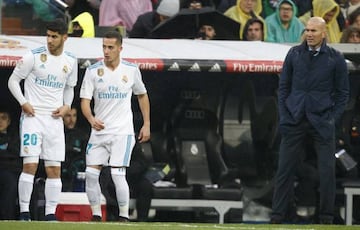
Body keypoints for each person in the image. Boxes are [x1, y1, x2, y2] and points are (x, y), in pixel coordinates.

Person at [270, 16, 349, 224]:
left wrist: (331, 119)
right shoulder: (294, 54)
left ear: (324, 33)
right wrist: (285, 116)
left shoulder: (336, 58)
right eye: (307, 30)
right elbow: (283, 88)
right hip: (294, 119)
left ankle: (326, 218)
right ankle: (277, 216)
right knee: (284, 169)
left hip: (322, 121)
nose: (310, 34)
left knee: (327, 172)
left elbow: (342, 95)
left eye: (314, 31)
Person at [7, 18, 78, 221]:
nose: (50, 40)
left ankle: (50, 215)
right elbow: (13, 80)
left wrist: (66, 106)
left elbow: (69, 88)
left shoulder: (70, 60)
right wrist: (23, 102)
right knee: (30, 165)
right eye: (48, 35)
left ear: (65, 37)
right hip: (33, 117)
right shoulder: (33, 57)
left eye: (54, 36)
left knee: (54, 168)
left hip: (54, 121)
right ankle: (24, 212)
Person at [80, 30, 150, 222]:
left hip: (122, 132)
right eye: (104, 46)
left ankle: (123, 216)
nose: (106, 51)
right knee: (91, 174)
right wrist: (91, 119)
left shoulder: (131, 70)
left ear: (120, 48)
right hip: (99, 131)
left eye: (110, 47)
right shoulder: (93, 71)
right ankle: (95, 215)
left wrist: (147, 124)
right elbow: (85, 101)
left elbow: (142, 95)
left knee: (118, 174)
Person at [0, 107, 22, 220]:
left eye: (3, 118)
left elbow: (16, 155)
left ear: (9, 122)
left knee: (10, 181)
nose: (0, 121)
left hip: (10, 172)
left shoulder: (15, 137)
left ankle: (6, 218)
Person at [62, 107, 88, 192]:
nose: (71, 119)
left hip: (77, 173)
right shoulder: (57, 133)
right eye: (68, 116)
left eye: (74, 116)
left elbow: (85, 156)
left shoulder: (82, 135)